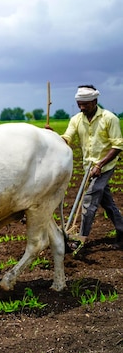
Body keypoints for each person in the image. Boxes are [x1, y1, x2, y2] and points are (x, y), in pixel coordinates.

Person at [61, 85, 123, 252]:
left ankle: (79, 241)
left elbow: (118, 146)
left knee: (88, 202)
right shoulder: (76, 119)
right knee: (108, 203)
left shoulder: (109, 118)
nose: (82, 107)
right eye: (79, 104)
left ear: (94, 101)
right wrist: (52, 136)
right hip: (88, 166)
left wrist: (100, 164)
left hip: (105, 166)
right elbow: (67, 138)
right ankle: (122, 231)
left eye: (85, 104)